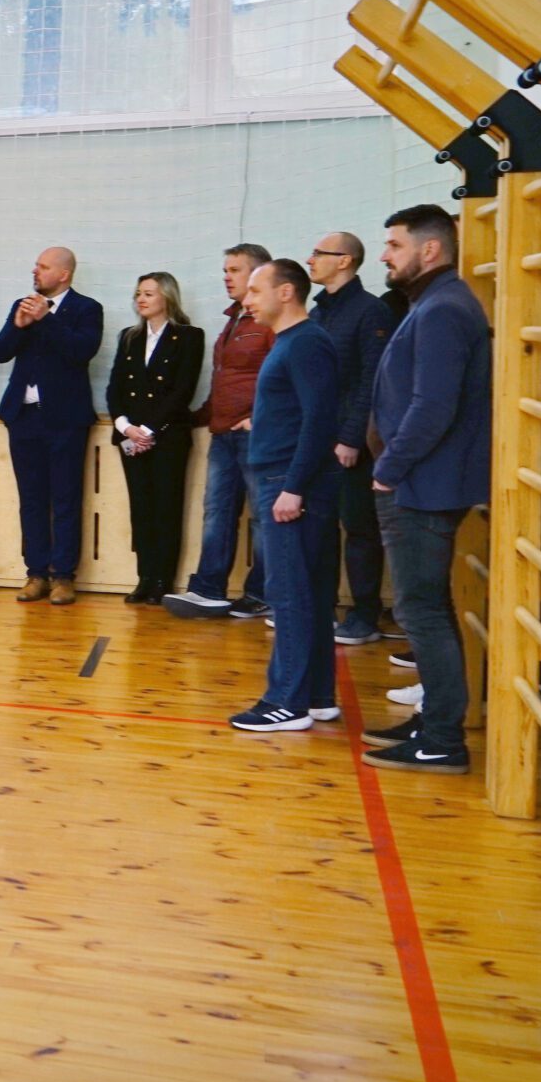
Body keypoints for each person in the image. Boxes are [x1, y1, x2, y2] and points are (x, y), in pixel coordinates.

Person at [361, 205, 490, 773]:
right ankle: (434, 723)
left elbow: (433, 405)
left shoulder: (443, 309)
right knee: (426, 608)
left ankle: (441, 738)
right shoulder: (435, 303)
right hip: (419, 482)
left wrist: (390, 468)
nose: (385, 256)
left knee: (422, 611)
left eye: (394, 245)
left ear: (430, 249)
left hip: (421, 485)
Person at [228, 260, 341, 732]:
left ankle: (286, 702)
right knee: (306, 593)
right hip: (285, 478)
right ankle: (316, 696)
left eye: (256, 290)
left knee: (290, 594)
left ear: (287, 292)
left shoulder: (307, 342)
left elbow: (320, 420)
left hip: (290, 483)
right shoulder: (293, 342)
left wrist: (293, 487)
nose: (247, 299)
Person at [164, 245, 275, 620]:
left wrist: (260, 417)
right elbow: (224, 380)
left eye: (235, 270)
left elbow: (280, 376)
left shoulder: (269, 320)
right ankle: (208, 590)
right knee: (217, 512)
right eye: (225, 270)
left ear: (258, 274)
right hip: (223, 433)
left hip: (255, 433)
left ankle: (262, 594)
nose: (226, 277)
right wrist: (196, 417)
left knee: (263, 517)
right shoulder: (233, 320)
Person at [0, 246, 104, 604]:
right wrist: (19, 325)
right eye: (36, 266)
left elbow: (81, 351)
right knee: (32, 499)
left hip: (65, 420)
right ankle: (36, 573)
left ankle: (63, 576)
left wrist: (47, 319)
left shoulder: (87, 309)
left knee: (66, 498)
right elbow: (0, 351)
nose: (34, 271)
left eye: (42, 267)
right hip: (23, 417)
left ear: (64, 274)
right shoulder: (22, 305)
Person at [306, 231, 396, 646]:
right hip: (317, 439)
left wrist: (351, 437)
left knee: (359, 529)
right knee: (321, 527)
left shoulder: (370, 311)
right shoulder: (318, 312)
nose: (310, 260)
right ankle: (322, 607)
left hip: (349, 443)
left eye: (318, 253)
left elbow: (371, 381)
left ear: (344, 260)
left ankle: (364, 615)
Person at [106, 272, 204, 604]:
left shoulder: (188, 336)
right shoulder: (129, 337)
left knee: (166, 507)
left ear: (167, 297)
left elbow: (183, 389)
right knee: (141, 508)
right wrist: (125, 426)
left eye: (148, 293)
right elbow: (115, 387)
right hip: (130, 435)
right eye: (138, 293)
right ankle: (144, 577)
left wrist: (149, 430)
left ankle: (163, 579)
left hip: (167, 436)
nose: (141, 299)